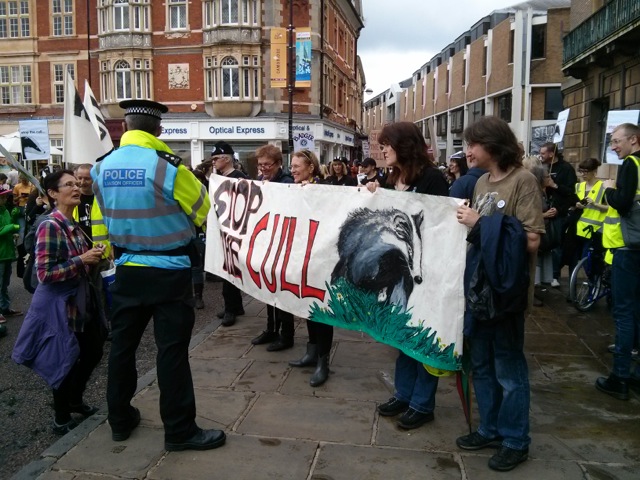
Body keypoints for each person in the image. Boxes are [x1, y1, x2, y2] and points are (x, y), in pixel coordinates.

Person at [92, 99, 225, 451]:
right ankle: (179, 432)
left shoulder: (101, 168)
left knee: (122, 349)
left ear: (125, 128)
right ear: (159, 131)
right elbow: (205, 213)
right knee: (171, 353)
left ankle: (119, 421)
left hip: (127, 271)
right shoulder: (168, 167)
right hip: (170, 272)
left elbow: (100, 218)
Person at [455, 116, 544, 472]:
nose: (468, 151)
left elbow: (533, 239)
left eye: (472, 145)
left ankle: (515, 440)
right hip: (480, 292)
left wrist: (481, 224)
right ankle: (490, 429)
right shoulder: (481, 183)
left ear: (492, 145)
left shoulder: (523, 181)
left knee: (508, 367)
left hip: (505, 294)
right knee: (482, 366)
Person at [366, 121, 448, 431]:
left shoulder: (432, 179)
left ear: (405, 146)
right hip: (397, 276)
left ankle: (422, 404)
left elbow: (438, 227)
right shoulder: (391, 179)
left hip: (426, 274)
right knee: (401, 336)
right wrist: (374, 196)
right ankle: (403, 394)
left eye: (387, 144)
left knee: (421, 337)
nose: (383, 149)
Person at [12, 170, 106, 434]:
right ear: (53, 194)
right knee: (64, 359)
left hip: (81, 302)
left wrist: (93, 257)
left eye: (77, 184)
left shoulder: (71, 223)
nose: (76, 188)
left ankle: (75, 400)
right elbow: (45, 273)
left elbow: (79, 261)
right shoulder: (50, 225)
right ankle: (61, 417)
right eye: (69, 185)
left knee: (93, 351)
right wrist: (82, 260)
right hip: (61, 308)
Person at [595, 122, 640, 400]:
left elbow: (622, 202)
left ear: (634, 139)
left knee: (624, 313)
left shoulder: (631, 164)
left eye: (616, 141)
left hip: (628, 248)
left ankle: (619, 376)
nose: (613, 146)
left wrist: (609, 189)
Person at [288, 149, 333, 386]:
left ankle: (323, 361)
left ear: (310, 168)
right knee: (307, 307)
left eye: (296, 166)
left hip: (321, 260)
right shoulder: (293, 189)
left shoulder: (324, 189)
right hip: (302, 258)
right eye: (291, 166)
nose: (292, 169)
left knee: (322, 311)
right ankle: (312, 351)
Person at [252, 144, 296, 351]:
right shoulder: (261, 180)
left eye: (267, 164)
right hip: (266, 242)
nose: (263, 169)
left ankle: (287, 335)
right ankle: (271, 329)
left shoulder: (287, 182)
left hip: (283, 245)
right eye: (260, 165)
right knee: (267, 290)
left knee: (282, 292)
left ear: (278, 164)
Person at [211, 141, 248, 327]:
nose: (214, 162)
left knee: (230, 271)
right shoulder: (219, 177)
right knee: (226, 270)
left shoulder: (238, 177)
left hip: (234, 230)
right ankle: (234, 306)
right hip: (224, 229)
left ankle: (231, 308)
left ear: (226, 159)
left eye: (216, 158)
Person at [539, 142, 578, 287]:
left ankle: (555, 275)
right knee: (545, 245)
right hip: (545, 211)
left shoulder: (566, 168)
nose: (541, 156)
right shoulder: (543, 167)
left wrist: (554, 186)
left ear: (551, 154)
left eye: (543, 153)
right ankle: (546, 274)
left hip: (559, 213)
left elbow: (571, 193)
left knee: (556, 245)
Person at [570, 158, 608, 268]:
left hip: (594, 229)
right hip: (578, 228)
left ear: (594, 171)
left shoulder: (603, 186)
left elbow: (609, 208)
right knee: (573, 259)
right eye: (581, 171)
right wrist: (576, 205)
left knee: (588, 262)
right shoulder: (579, 186)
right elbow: (572, 203)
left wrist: (595, 204)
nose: (583, 174)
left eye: (586, 171)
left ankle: (593, 283)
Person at [0, 187, 21, 323]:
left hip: (7, 253)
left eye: (4, 196)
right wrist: (13, 227)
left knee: (4, 283)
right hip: (0, 255)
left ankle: (5, 308)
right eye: (2, 197)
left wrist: (14, 216)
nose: (4, 199)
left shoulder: (5, 210)